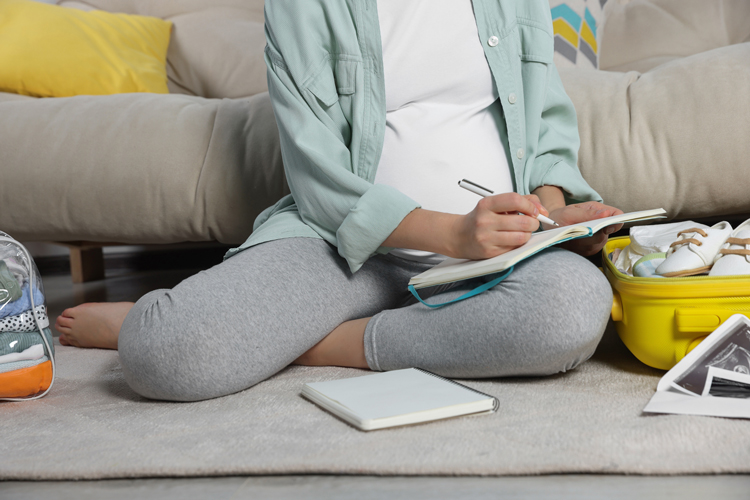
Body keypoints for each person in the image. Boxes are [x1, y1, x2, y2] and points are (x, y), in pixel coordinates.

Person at [55, 0, 622, 402]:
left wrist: (550, 215)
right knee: (165, 352)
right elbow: (317, 175)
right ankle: (152, 317)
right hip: (349, 247)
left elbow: (547, 126)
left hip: (497, 252)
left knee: (570, 311)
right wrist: (452, 235)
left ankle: (319, 341)